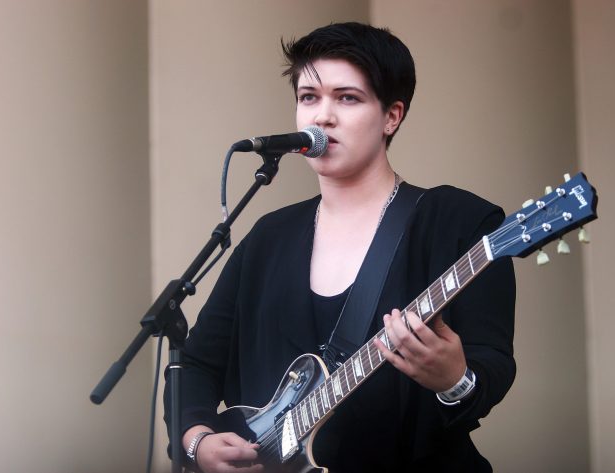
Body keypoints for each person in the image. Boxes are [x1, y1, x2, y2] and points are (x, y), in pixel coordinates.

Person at [164, 22, 516, 473]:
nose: (323, 116)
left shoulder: (458, 222)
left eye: (347, 98)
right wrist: (198, 440)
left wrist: (455, 381)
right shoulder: (268, 237)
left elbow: (493, 362)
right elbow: (195, 364)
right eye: (309, 97)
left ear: (392, 116)